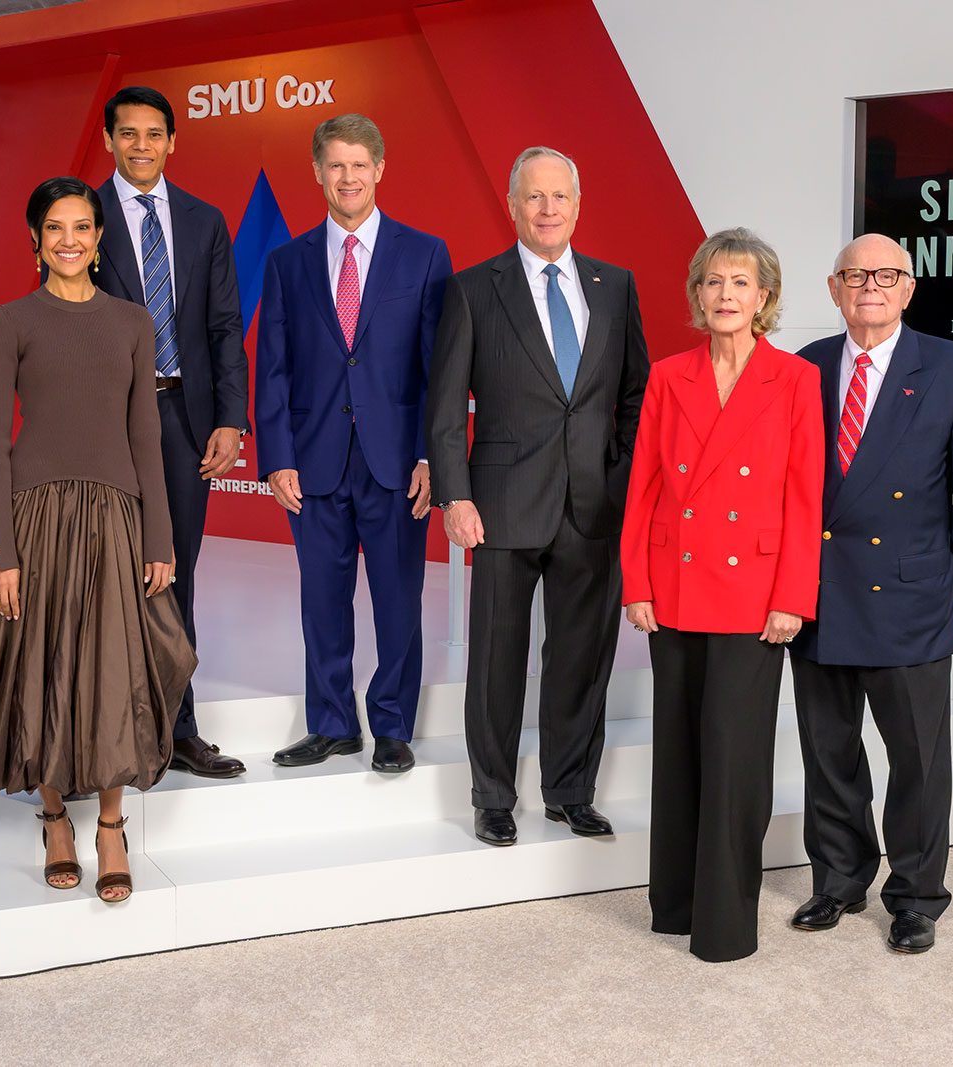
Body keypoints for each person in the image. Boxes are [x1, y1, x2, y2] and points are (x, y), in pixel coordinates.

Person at [0, 177, 194, 904]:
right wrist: (0, 549)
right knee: (44, 668)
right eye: (55, 227)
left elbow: (145, 433)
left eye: (82, 226)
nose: (70, 240)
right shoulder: (9, 320)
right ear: (35, 238)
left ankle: (110, 825)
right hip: (36, 516)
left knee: (115, 669)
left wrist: (160, 534)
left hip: (115, 514)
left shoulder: (133, 320)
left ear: (97, 237)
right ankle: (55, 817)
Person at [426, 146, 649, 845]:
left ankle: (570, 790)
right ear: (513, 205)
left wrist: (619, 474)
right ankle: (492, 795)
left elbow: (636, 391)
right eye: (535, 197)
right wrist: (455, 496)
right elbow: (441, 407)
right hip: (499, 504)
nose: (548, 210)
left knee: (583, 656)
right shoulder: (472, 289)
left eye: (560, 197)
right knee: (497, 659)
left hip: (592, 506)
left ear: (577, 206)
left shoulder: (614, 285)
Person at [788, 233, 953, 954]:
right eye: (855, 274)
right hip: (818, 590)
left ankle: (915, 894)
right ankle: (840, 877)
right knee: (829, 749)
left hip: (910, 592)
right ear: (834, 286)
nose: (869, 285)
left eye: (885, 275)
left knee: (916, 754)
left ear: (908, 288)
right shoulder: (804, 367)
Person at [622, 228, 823, 962]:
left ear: (763, 297)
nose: (726, 295)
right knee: (677, 750)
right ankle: (673, 904)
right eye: (713, 282)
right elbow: (642, 485)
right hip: (672, 586)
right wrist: (636, 584)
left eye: (740, 283)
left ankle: (725, 922)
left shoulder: (795, 380)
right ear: (697, 294)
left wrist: (792, 595)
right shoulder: (669, 375)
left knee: (735, 759)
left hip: (754, 594)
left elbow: (806, 495)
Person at [254, 115, 452, 773]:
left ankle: (392, 725)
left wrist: (432, 453)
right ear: (317, 171)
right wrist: (277, 455)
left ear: (380, 169)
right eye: (335, 165)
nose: (347, 178)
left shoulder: (425, 254)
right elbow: (272, 364)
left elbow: (438, 368)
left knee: (399, 598)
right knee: (322, 600)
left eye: (359, 164)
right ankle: (333, 723)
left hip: (396, 460)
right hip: (313, 461)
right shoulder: (286, 262)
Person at [94, 86, 249, 779]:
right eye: (128, 134)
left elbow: (223, 327)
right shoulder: (81, 215)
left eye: (154, 134)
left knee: (175, 575)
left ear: (172, 141)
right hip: (106, 421)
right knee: (101, 576)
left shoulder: (204, 221)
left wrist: (229, 418)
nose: (141, 146)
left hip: (186, 417)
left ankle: (179, 727)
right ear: (109, 140)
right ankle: (106, 731)